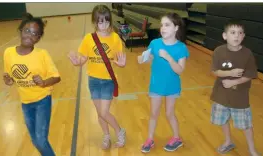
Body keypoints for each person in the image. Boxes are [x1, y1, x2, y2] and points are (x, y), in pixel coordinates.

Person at [68, 5, 126, 149]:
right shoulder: (89, 39)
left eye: (106, 21)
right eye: (100, 22)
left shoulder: (115, 38)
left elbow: (119, 60)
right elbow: (83, 59)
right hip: (93, 80)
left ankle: (119, 131)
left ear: (110, 21)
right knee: (99, 113)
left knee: (103, 112)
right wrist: (77, 62)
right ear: (95, 22)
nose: (104, 25)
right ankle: (106, 135)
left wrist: (122, 64)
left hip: (107, 81)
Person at [3, 13, 60, 156]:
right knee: (35, 141)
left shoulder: (42, 54)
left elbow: (57, 77)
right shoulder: (8, 53)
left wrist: (44, 82)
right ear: (20, 30)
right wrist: (9, 80)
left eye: (35, 34)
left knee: (40, 140)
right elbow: (11, 77)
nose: (30, 35)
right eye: (27, 30)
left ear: (38, 38)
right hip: (25, 103)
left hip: (42, 101)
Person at [138, 13, 189, 153]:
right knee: (153, 113)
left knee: (169, 113)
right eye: (161, 25)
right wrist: (143, 59)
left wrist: (168, 57)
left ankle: (177, 138)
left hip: (172, 87)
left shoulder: (181, 48)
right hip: (156, 84)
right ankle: (149, 139)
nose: (163, 28)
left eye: (167, 25)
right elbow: (150, 59)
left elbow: (179, 70)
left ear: (176, 28)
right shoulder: (155, 43)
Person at [210, 19, 260, 156]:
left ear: (243, 36)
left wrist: (234, 82)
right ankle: (228, 141)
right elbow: (215, 71)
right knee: (223, 120)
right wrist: (229, 73)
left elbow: (251, 74)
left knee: (246, 125)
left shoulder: (247, 54)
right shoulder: (219, 51)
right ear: (225, 36)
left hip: (240, 98)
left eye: (240, 33)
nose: (236, 36)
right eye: (233, 32)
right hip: (221, 96)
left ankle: (252, 150)